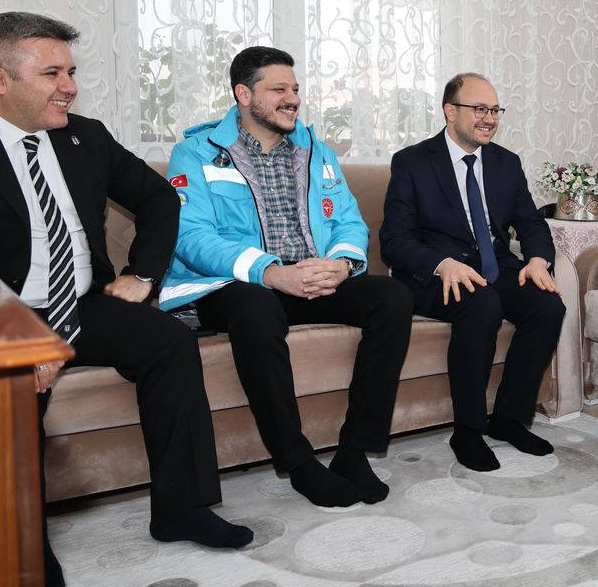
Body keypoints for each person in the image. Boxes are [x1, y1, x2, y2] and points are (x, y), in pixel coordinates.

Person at [0, 12, 253, 586]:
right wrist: (12, 334)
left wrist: (142, 275)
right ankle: (20, 543)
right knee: (6, 390)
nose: (70, 86)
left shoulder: (84, 136)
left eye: (71, 72)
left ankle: (181, 508)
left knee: (169, 342)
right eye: (53, 73)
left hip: (82, 301)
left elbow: (160, 199)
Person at [159, 46, 413, 508]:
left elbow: (349, 221)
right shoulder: (195, 153)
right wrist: (270, 272)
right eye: (278, 89)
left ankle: (354, 451)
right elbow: (190, 236)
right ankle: (297, 462)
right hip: (237, 285)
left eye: (294, 89)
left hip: (310, 278)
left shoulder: (317, 151)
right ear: (244, 94)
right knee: (256, 308)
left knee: (392, 296)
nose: (292, 98)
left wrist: (341, 265)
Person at [380, 72, 566, 472]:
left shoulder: (505, 162)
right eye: (480, 109)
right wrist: (440, 264)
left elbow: (530, 222)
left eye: (495, 110)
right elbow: (394, 240)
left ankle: (509, 419)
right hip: (437, 272)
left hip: (492, 265)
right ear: (450, 111)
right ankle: (467, 430)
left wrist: (537, 260)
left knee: (548, 306)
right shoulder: (412, 162)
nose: (490, 119)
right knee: (482, 305)